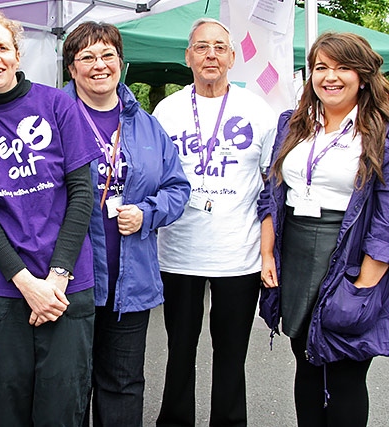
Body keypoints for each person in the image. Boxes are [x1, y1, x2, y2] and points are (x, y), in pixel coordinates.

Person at [0, 10, 100, 426]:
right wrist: (27, 283)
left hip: (65, 285)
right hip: (0, 287)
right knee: (8, 409)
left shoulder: (58, 104)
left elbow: (82, 194)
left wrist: (56, 277)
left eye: (2, 47)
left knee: (62, 407)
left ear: (16, 54)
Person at [62, 22, 191, 426]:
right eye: (87, 57)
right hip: (69, 281)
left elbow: (177, 187)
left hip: (130, 284)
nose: (99, 65)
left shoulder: (148, 125)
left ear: (122, 63)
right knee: (68, 384)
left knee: (123, 383)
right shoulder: (51, 118)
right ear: (71, 68)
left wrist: (148, 212)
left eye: (108, 55)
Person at [258, 32, 389, 427]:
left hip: (350, 255)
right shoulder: (293, 124)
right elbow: (272, 192)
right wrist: (268, 254)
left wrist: (364, 286)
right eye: (321, 68)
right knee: (306, 360)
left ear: (363, 76)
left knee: (347, 368)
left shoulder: (381, 131)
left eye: (342, 67)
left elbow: (386, 217)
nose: (330, 77)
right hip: (296, 250)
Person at [152, 18, 277, 427]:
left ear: (232, 57)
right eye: (202, 47)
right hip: (178, 252)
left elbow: (271, 187)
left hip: (237, 257)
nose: (211, 55)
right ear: (187, 56)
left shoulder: (258, 111)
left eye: (219, 47)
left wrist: (267, 250)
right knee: (179, 354)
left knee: (231, 357)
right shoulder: (166, 111)